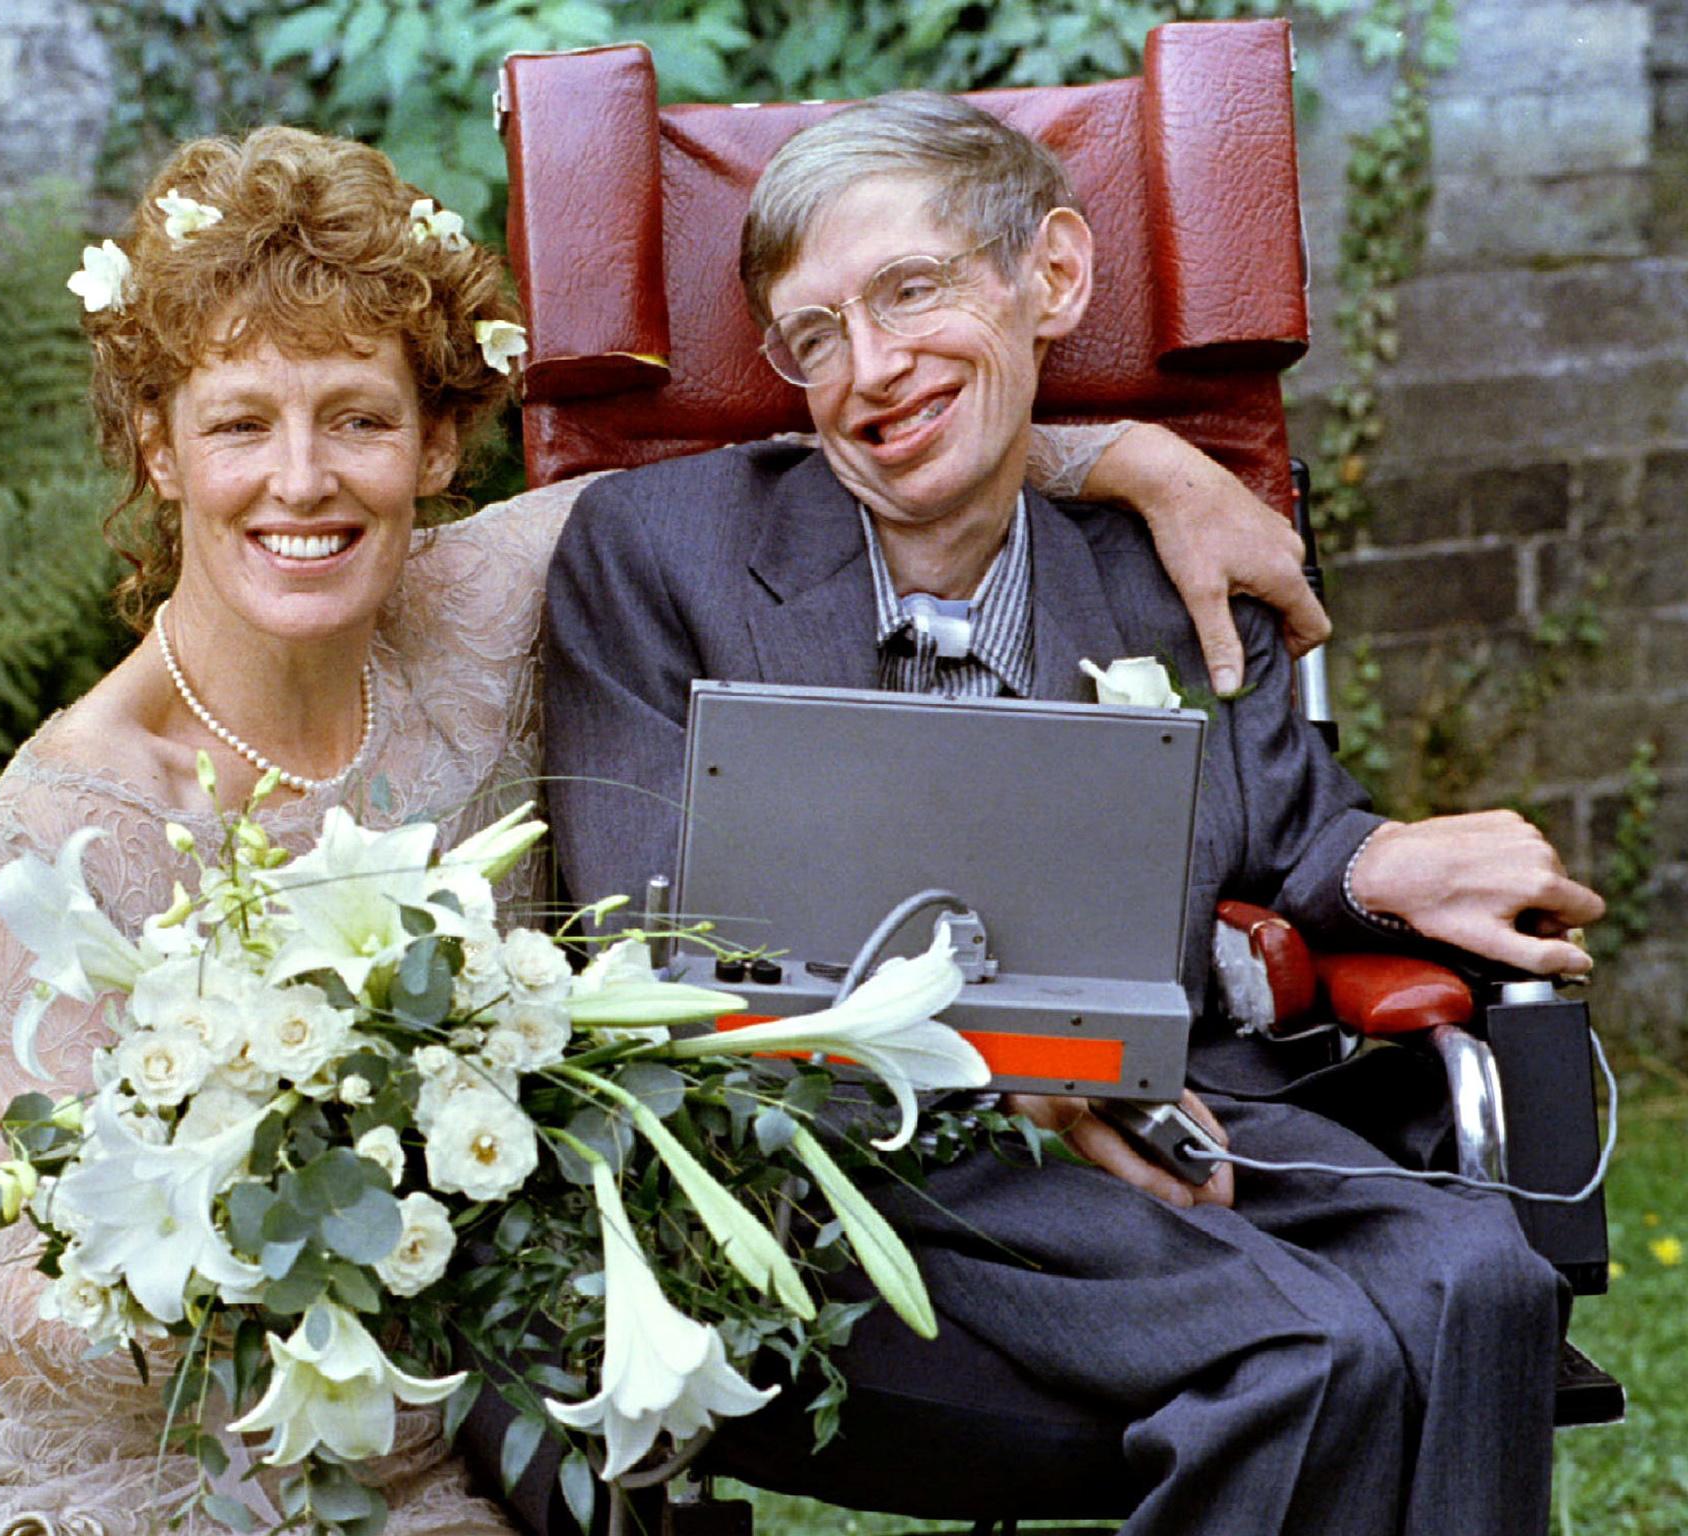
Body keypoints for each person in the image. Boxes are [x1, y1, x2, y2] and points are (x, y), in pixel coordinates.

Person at [0, 123, 1323, 1535]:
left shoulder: (494, 595)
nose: (303, 481)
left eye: (358, 417)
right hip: (129, 1474)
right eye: (240, 426)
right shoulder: (82, 826)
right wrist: (367, 1189)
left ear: (434, 447)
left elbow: (864, 453)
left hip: (430, 1453)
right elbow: (40, 1320)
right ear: (160, 454)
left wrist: (1142, 463)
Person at [539, 94, 1605, 1535]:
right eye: (814, 338)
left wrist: (1381, 870)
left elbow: (1283, 832)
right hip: (857, 1158)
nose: (872, 369)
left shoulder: (1162, 572)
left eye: (911, 292)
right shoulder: (658, 554)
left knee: (1486, 1278)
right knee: (1318, 1356)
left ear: (1052, 277)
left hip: (1175, 1115)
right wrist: (1002, 1064)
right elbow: (648, 935)